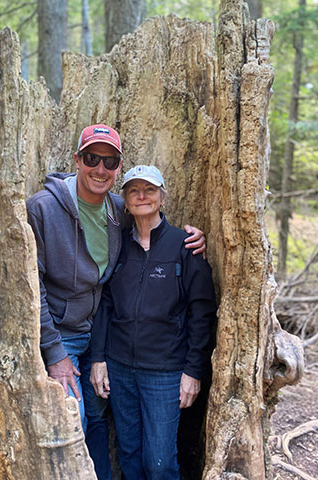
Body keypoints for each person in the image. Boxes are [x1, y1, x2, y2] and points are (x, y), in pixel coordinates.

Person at [26, 124, 206, 480]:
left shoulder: (124, 213)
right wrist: (64, 355)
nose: (100, 168)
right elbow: (34, 287)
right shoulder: (44, 208)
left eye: (109, 161)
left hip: (124, 348)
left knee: (111, 427)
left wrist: (194, 236)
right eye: (92, 158)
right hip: (65, 337)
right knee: (72, 421)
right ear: (77, 159)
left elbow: (199, 308)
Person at [90, 165, 216, 480]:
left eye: (149, 190)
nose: (142, 196)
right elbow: (105, 306)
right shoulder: (117, 246)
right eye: (134, 190)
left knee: (159, 463)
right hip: (120, 369)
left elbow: (201, 313)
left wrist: (193, 372)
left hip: (166, 372)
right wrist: (98, 359)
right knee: (129, 454)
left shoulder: (185, 246)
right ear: (126, 202)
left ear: (162, 197)